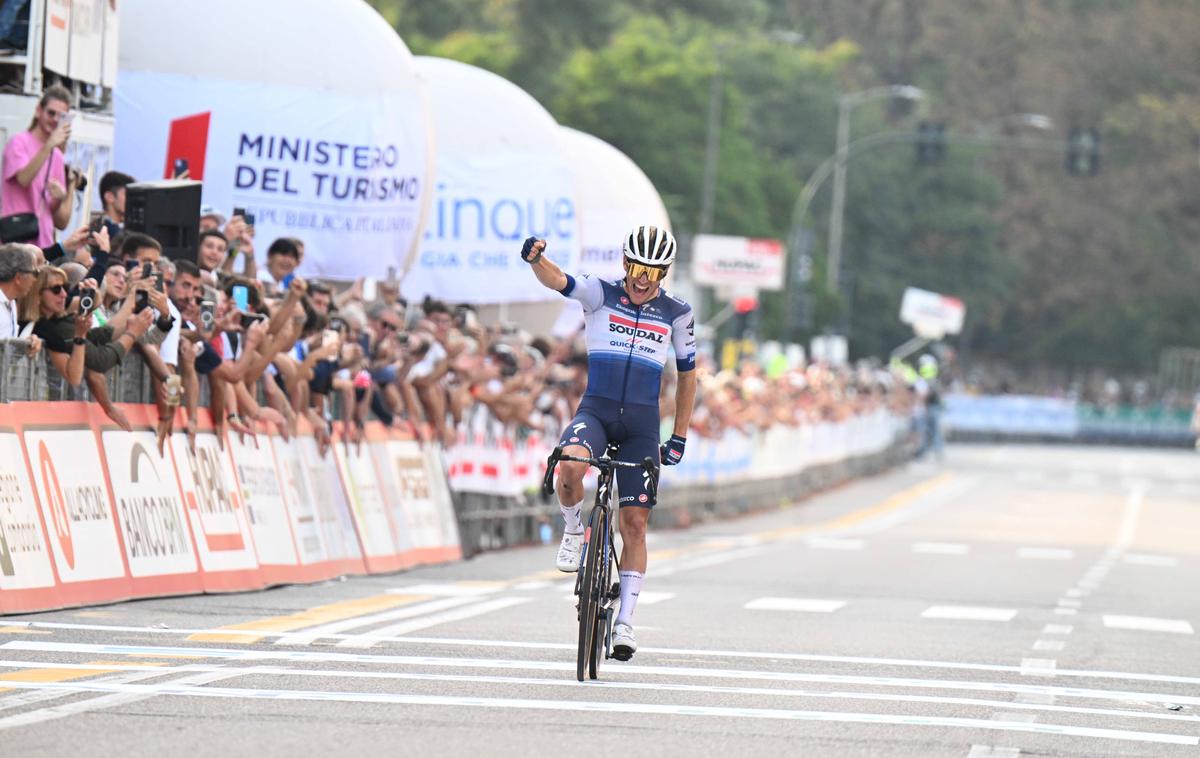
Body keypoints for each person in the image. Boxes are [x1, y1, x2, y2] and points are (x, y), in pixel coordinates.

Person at [520, 225, 697, 661]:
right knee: (570, 466)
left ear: (665, 273)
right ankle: (574, 529)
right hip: (596, 412)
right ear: (624, 262)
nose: (643, 278)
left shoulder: (677, 312)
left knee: (634, 523)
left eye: (654, 272)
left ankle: (625, 622)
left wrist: (678, 435)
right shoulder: (601, 293)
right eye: (637, 267)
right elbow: (560, 280)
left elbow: (689, 377)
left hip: (641, 426)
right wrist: (535, 260)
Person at [1, 85, 79, 247]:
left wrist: (61, 197)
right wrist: (49, 146)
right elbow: (23, 178)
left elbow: (61, 222)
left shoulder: (57, 156)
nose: (55, 119)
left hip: (43, 243)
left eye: (61, 116)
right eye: (51, 113)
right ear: (38, 111)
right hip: (16, 240)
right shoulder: (19, 142)